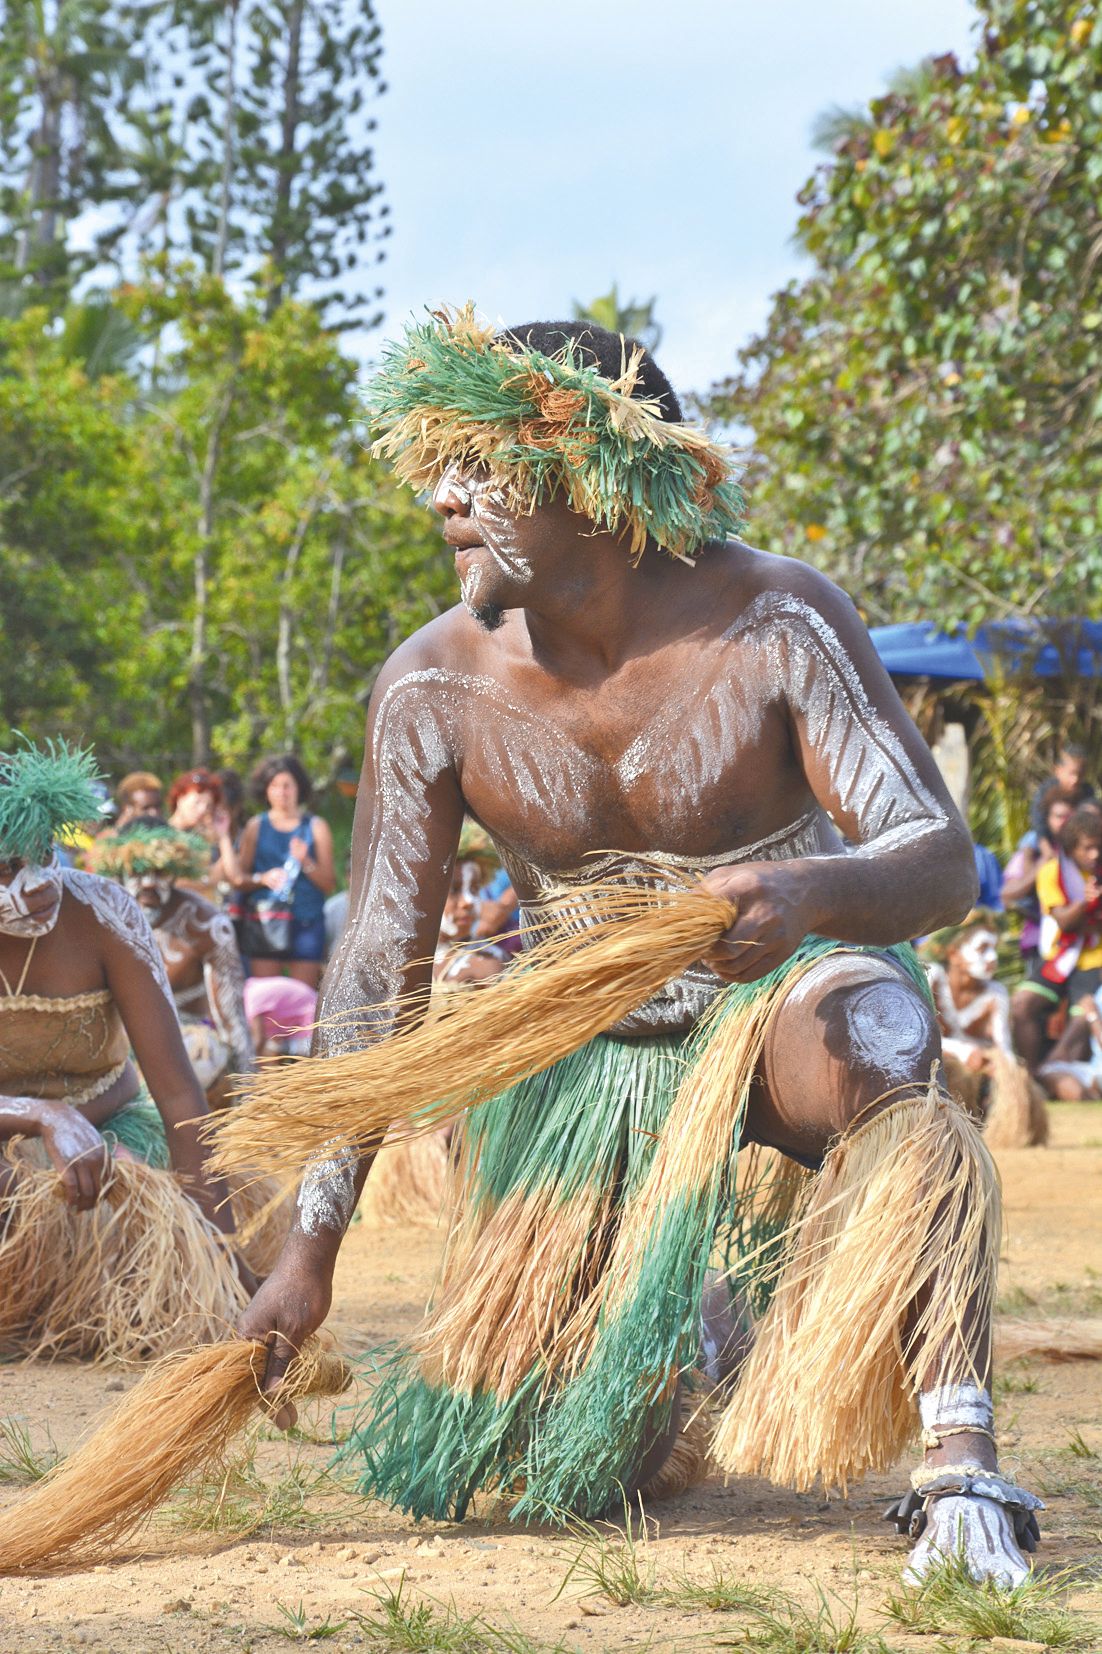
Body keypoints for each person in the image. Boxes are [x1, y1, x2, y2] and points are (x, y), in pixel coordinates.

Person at [239, 310, 1034, 1586]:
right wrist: (308, 1254)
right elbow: (377, 974)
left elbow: (936, 853)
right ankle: (700, 1327)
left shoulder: (773, 618)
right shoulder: (434, 687)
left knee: (880, 1034)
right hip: (583, 1066)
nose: (444, 494)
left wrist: (805, 887)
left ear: (597, 477)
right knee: (575, 1467)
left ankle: (961, 1467)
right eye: (440, 461)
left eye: (482, 462)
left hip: (769, 1006)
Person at [0, 740, 256, 1357]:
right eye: (5, 868)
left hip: (111, 1130)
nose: (32, 884)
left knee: (135, 1212)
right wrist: (43, 1116)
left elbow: (177, 1094)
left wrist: (227, 1266)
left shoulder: (104, 912)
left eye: (40, 856)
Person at [88, 822, 254, 1105]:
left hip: (185, 1039)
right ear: (119, 872)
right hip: (116, 1044)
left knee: (201, 1056)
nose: (149, 884)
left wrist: (248, 1097)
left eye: (160, 872)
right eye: (138, 871)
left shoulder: (206, 926)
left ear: (177, 873)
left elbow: (232, 1018)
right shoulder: (99, 920)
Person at [922, 917, 1047, 1145]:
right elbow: (918, 1035)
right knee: (952, 1070)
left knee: (1010, 1072)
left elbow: (1003, 1046)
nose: (993, 958)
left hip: (978, 1065)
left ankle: (1005, 1130)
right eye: (982, 949)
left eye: (993, 949)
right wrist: (961, 1051)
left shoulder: (996, 993)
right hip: (936, 1061)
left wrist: (1002, 1066)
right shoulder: (933, 978)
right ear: (954, 955)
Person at [1011, 808, 1102, 1076]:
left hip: (1094, 961)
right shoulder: (1051, 871)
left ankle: (1052, 1071)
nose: (1094, 855)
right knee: (1022, 1005)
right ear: (1072, 847)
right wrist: (1085, 904)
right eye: (1087, 848)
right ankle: (1032, 1078)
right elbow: (1064, 921)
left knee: (1082, 1017)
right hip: (1059, 957)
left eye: (1098, 848)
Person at [234, 756, 336, 989]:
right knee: (266, 999)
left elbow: (329, 884)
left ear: (299, 787)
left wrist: (306, 861)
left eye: (287, 785)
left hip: (306, 921)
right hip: (266, 921)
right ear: (265, 790)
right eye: (274, 785)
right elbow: (240, 879)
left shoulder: (316, 826)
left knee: (303, 999)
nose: (282, 792)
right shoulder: (255, 826)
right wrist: (262, 879)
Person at [1000, 787, 1076, 966]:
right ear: (1047, 819)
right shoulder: (1032, 849)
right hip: (1039, 939)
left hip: (1076, 940)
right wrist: (1042, 863)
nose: (1064, 822)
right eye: (1058, 816)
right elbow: (1007, 894)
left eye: (1069, 816)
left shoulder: (1083, 851)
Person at [167, 767, 241, 893]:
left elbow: (235, 877)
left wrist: (224, 836)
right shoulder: (165, 834)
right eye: (197, 802)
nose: (202, 810)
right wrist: (209, 880)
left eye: (208, 806)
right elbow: (173, 882)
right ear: (180, 798)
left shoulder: (204, 836)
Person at [1028, 744, 1094, 835]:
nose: (1076, 779)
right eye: (1072, 773)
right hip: (1047, 836)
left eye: (1081, 774)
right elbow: (1038, 820)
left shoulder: (1087, 791)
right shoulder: (1046, 790)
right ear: (1058, 770)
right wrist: (1045, 846)